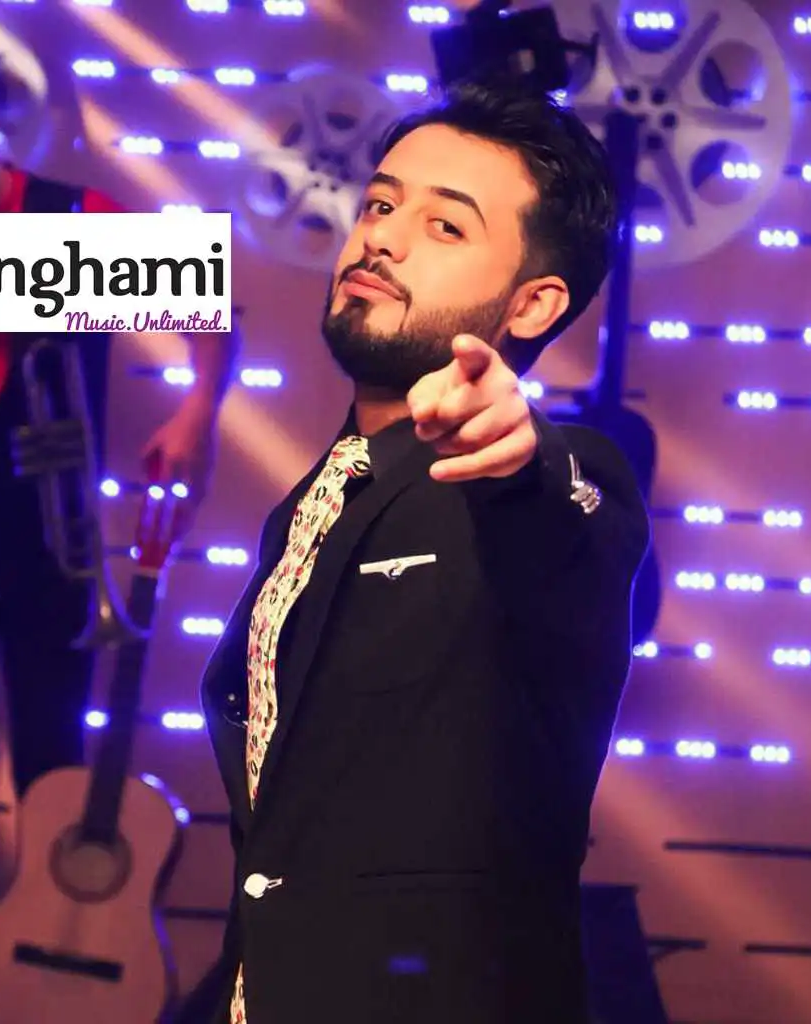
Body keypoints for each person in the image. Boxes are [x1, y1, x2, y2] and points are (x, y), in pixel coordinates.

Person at [182, 77, 650, 1024]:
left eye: (445, 226)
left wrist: (525, 453)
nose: (383, 238)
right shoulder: (314, 498)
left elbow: (568, 510)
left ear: (533, 306)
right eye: (380, 205)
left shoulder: (541, 477)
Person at [0, 44, 238, 1024]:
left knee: (52, 769)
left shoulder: (77, 220)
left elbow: (209, 308)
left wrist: (197, 412)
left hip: (48, 546)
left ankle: (46, 979)